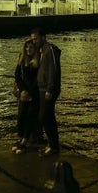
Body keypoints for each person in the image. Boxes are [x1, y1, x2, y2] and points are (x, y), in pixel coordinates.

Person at [31, 27, 61, 157]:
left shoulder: (50, 50)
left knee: (44, 116)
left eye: (36, 39)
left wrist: (50, 89)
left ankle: (53, 145)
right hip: (42, 88)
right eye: (32, 39)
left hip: (48, 89)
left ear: (44, 37)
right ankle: (52, 144)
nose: (34, 42)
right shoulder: (41, 50)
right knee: (48, 117)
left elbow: (53, 70)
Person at [12, 38, 40, 154]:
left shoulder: (38, 62)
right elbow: (17, 75)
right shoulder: (22, 59)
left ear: (35, 49)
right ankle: (21, 138)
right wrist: (23, 90)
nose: (28, 49)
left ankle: (24, 142)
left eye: (31, 47)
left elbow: (38, 80)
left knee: (29, 116)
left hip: (33, 94)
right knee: (21, 116)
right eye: (27, 47)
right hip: (24, 94)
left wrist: (29, 92)